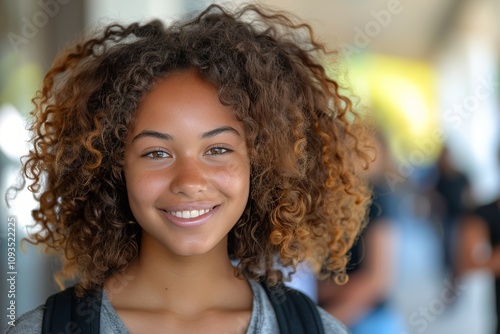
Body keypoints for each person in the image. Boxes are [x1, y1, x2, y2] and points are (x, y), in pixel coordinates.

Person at [6, 3, 371, 333]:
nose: (189, 182)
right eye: (156, 153)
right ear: (113, 167)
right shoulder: (43, 330)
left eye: (217, 149)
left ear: (260, 165)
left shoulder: (314, 329)